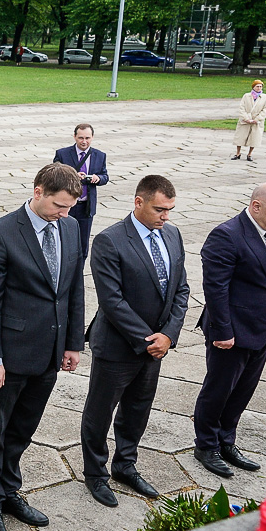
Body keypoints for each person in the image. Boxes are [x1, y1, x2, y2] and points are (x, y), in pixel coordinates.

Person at [0, 163, 85, 531]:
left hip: (50, 352)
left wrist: (73, 342)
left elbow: (73, 289)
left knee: (23, 428)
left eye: (70, 207)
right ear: (38, 191)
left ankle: (8, 489)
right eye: (58, 205)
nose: (64, 214)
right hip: (10, 354)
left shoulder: (70, 227)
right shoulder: (0, 233)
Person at [80, 175, 189, 507]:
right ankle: (96, 474)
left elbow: (181, 290)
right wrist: (147, 340)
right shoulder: (110, 240)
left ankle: (126, 465)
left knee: (137, 410)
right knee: (100, 413)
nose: (166, 217)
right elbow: (112, 301)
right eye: (160, 209)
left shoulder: (171, 234)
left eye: (170, 210)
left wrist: (168, 335)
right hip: (118, 346)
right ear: (138, 202)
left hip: (157, 347)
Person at [192, 182, 266, 477]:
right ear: (256, 206)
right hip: (231, 331)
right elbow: (215, 288)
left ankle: (227, 441)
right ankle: (206, 445)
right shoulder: (226, 235)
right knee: (219, 389)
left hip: (263, 327)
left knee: (243, 390)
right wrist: (223, 330)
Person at [53, 124, 109, 260]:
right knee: (62, 239)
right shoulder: (63, 154)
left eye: (87, 138)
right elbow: (53, 174)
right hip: (66, 205)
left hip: (86, 206)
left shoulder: (100, 155)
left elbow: (105, 176)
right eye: (81, 138)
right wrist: (72, 175)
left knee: (83, 244)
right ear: (74, 137)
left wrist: (98, 178)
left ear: (92, 137)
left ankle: (79, 272)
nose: (84, 141)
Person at [233, 80, 266, 161]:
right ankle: (238, 153)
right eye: (257, 86)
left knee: (254, 138)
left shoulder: (265, 97)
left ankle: (249, 154)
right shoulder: (246, 96)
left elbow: (265, 110)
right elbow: (242, 107)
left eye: (260, 86)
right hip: (245, 120)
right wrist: (246, 118)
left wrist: (257, 119)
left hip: (257, 121)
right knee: (240, 137)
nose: (259, 88)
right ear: (253, 87)